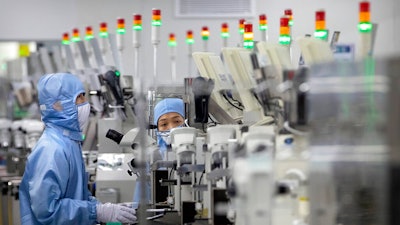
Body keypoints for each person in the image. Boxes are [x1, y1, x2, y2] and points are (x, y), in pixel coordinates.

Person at [19, 73, 137, 224]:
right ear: (58, 105)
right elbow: (48, 210)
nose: (85, 103)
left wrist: (107, 209)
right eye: (79, 98)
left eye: (84, 96)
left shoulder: (68, 142)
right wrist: (97, 212)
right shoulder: (52, 150)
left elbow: (78, 195)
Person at [132, 98, 185, 207]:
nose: (171, 128)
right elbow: (141, 204)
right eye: (164, 124)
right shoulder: (152, 159)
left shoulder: (199, 154)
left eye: (177, 122)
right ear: (157, 129)